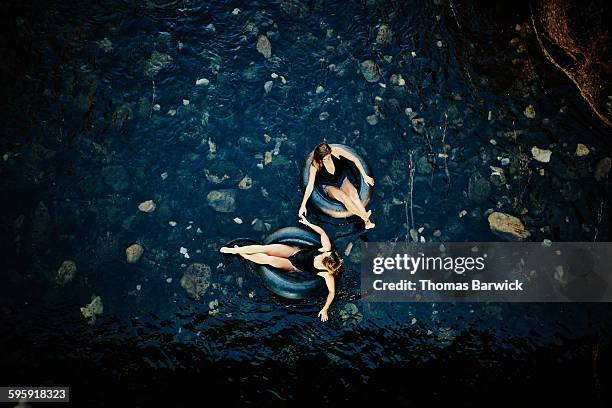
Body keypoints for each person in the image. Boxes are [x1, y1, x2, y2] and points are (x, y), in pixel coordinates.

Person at [219, 217, 342, 322]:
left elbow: (332, 292)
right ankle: (234, 250)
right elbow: (322, 233)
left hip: (293, 266)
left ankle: (244, 255)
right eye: (325, 255)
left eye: (324, 258)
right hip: (294, 252)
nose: (324, 255)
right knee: (266, 248)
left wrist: (325, 309)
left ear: (327, 265)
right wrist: (307, 223)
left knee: (270, 260)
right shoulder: (326, 250)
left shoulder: (326, 274)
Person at [299, 143, 375, 229]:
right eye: (325, 159)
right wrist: (303, 204)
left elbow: (355, 159)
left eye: (329, 157)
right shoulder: (315, 164)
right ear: (320, 158)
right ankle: (364, 216)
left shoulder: (336, 151)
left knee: (354, 195)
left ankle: (367, 223)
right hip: (328, 185)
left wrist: (365, 176)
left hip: (341, 179)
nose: (328, 159)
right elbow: (310, 185)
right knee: (344, 198)